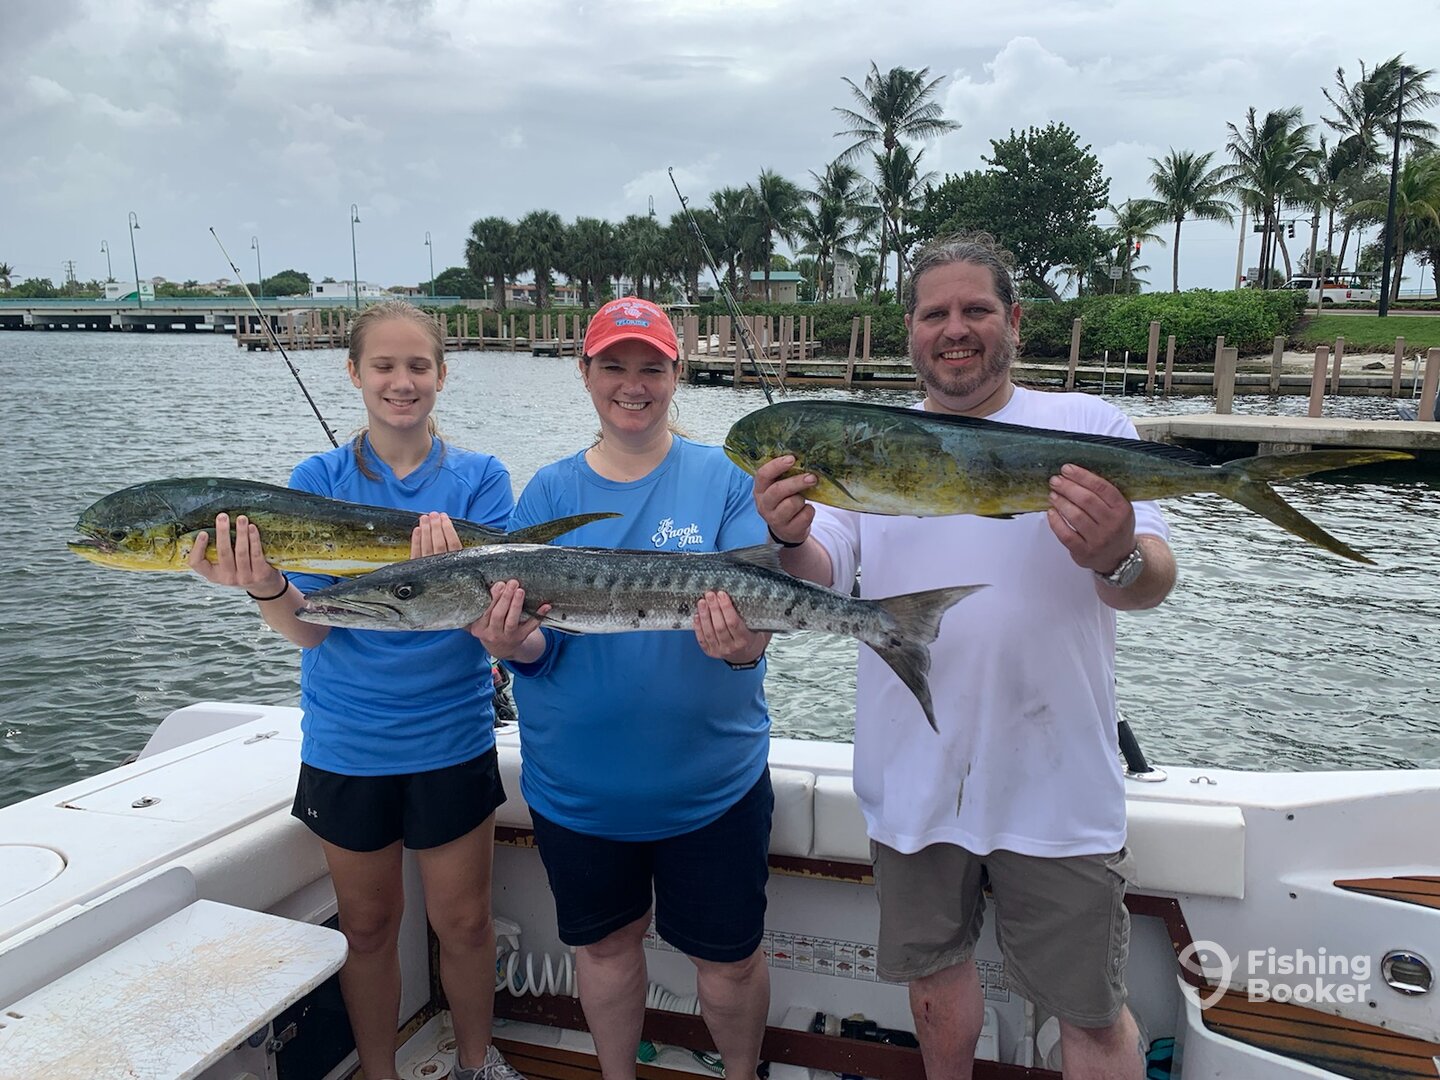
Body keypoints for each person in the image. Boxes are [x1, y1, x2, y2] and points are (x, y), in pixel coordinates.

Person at [752, 235, 1178, 1080]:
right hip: (914, 772)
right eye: (935, 313)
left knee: (1092, 1017)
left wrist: (1117, 553)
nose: (956, 328)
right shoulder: (862, 441)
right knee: (935, 993)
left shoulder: (1090, 426)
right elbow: (822, 570)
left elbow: (1151, 582)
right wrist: (785, 533)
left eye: (976, 309)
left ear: (1013, 320)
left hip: (1058, 781)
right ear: (910, 331)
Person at [188, 300, 524, 1080]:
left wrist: (446, 579)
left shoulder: (480, 480)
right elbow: (309, 631)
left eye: (418, 366)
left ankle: (477, 1064)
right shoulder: (317, 482)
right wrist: (263, 583)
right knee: (368, 929)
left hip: (451, 736)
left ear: (442, 375)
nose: (402, 382)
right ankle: (380, 1073)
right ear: (353, 374)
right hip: (349, 743)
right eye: (384, 366)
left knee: (466, 924)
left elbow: (496, 623)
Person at [472, 297, 773, 1080]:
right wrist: (507, 644)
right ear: (585, 373)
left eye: (651, 368)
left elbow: (761, 622)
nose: (632, 385)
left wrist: (743, 649)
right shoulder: (547, 494)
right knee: (604, 951)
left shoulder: (724, 479)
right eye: (613, 366)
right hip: (579, 792)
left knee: (731, 963)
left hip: (715, 786)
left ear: (678, 374)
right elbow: (537, 645)